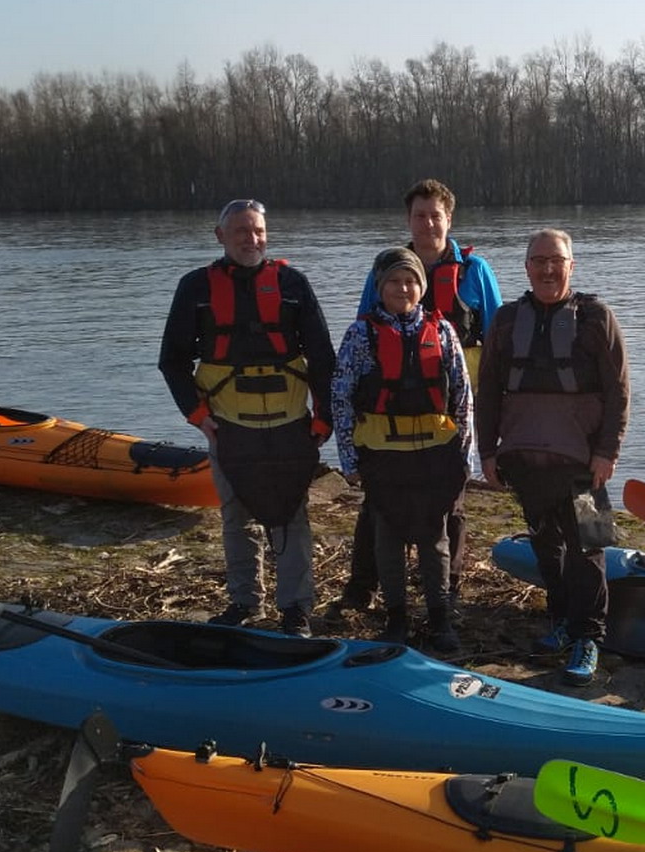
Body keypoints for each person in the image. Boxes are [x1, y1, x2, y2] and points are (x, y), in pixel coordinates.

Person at [158, 198, 334, 634]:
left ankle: (295, 608)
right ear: (221, 236)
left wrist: (324, 417)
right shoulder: (195, 287)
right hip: (228, 425)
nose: (251, 239)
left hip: (289, 422)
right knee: (236, 515)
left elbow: (323, 358)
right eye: (241, 231)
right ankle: (244, 601)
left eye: (258, 231)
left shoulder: (293, 283)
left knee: (291, 512)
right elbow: (172, 361)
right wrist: (197, 415)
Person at [331, 180, 502, 618]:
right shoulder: (386, 268)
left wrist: (491, 414)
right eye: (419, 216)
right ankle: (363, 586)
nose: (427, 224)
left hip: (449, 410)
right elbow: (364, 336)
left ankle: (447, 588)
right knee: (377, 506)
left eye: (435, 216)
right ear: (408, 220)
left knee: (451, 506)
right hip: (389, 414)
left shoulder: (474, 270)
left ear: (449, 219)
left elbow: (499, 338)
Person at [476, 229, 631, 686]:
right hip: (526, 460)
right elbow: (489, 392)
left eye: (556, 261)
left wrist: (608, 451)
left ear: (571, 266)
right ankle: (561, 620)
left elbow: (619, 392)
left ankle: (590, 637)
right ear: (527, 267)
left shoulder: (597, 319)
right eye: (539, 261)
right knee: (546, 545)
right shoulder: (506, 320)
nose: (547, 269)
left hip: (585, 463)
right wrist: (488, 451)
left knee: (591, 546)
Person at [331, 246, 473, 655]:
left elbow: (462, 397)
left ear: (421, 287)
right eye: (394, 281)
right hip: (383, 456)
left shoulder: (442, 331)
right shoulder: (361, 335)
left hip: (434, 455)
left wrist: (466, 457)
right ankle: (396, 617)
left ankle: (440, 617)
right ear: (380, 287)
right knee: (387, 538)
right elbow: (341, 397)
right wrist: (349, 460)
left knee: (434, 538)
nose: (403, 288)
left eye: (411, 281)